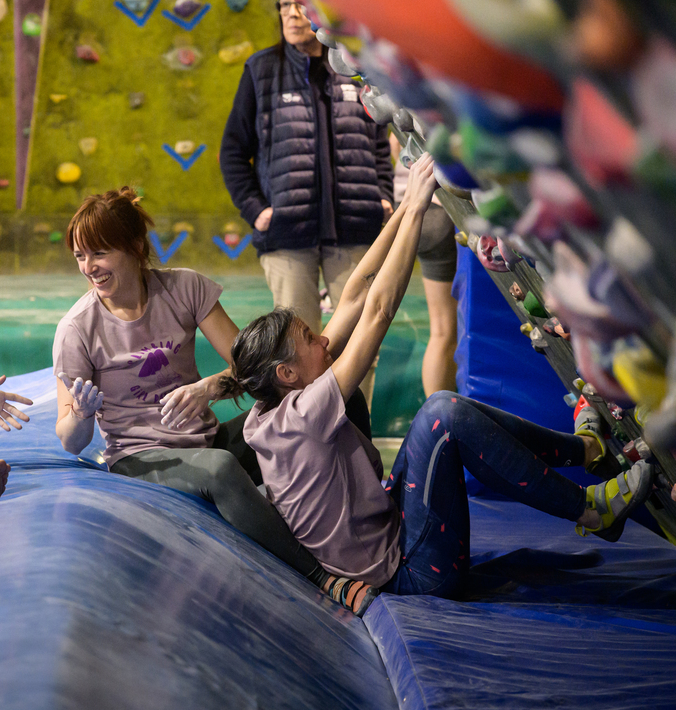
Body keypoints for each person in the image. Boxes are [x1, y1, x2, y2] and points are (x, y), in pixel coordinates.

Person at [226, 155, 655, 597]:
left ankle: (587, 450)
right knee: (442, 415)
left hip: (396, 525)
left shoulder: (272, 405)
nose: (322, 340)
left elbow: (354, 295)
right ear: (287, 373)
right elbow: (377, 311)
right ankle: (589, 511)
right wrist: (415, 209)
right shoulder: (301, 417)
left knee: (443, 411)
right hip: (414, 573)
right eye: (309, 338)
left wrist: (405, 207)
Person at [53, 187, 379, 615]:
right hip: (141, 459)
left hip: (206, 439)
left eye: (99, 253)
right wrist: (80, 414)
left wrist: (208, 387)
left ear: (134, 246)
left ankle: (372, 506)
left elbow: (253, 369)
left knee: (337, 399)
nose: (88, 267)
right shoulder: (77, 329)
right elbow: (70, 440)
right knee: (221, 470)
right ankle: (322, 577)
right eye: (80, 256)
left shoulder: (183, 288)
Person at [219, 0, 394, 409]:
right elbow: (232, 151)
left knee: (362, 343)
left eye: (299, 3)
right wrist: (257, 211)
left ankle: (355, 432)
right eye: (283, 5)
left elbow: (378, 142)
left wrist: (383, 196)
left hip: (354, 227)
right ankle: (303, 435)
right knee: (295, 355)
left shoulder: (356, 65)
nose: (291, 13)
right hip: (287, 235)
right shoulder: (260, 69)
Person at [389, 133, 458, 395]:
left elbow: (394, 144)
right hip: (442, 205)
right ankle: (443, 409)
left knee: (439, 330)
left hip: (410, 203)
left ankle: (437, 409)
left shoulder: (408, 109)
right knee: (447, 331)